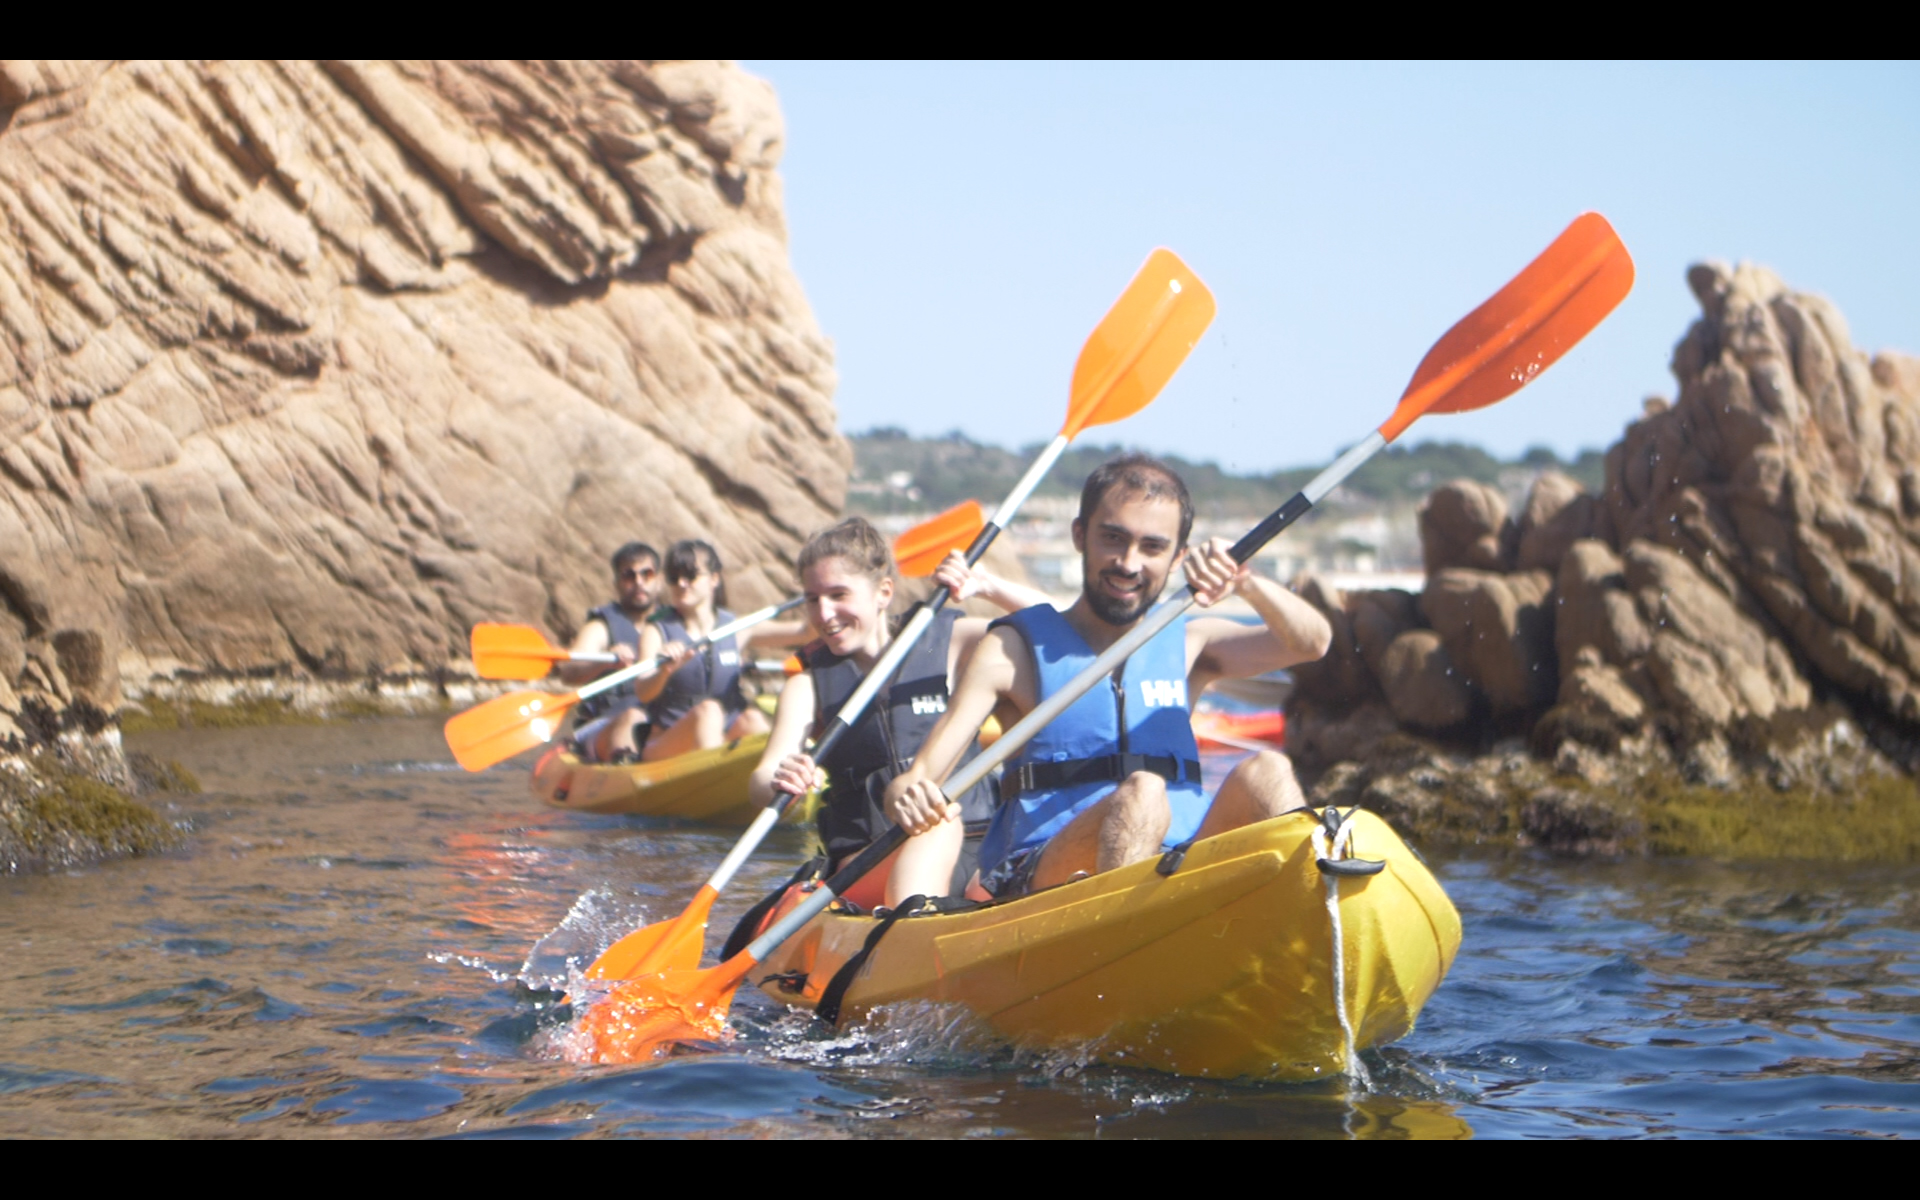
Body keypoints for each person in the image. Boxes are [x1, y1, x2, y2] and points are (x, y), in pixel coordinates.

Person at [884, 454, 1333, 901]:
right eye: (1113, 539)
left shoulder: (1190, 646)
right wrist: (908, 798)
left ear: (1178, 557)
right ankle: (1130, 944)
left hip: (1180, 859)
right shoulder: (1012, 651)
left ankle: (1311, 915)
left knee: (1268, 770)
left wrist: (1246, 583)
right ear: (1081, 535)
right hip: (1044, 871)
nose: (1129, 563)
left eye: (1152, 547)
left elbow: (1310, 644)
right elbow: (915, 779)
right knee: (1142, 792)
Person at [750, 517, 1052, 909]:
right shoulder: (806, 685)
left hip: (978, 846)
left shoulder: (949, 643)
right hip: (871, 858)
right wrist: (780, 779)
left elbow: (1056, 627)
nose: (824, 614)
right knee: (934, 824)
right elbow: (760, 781)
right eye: (812, 599)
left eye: (839, 594)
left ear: (883, 592)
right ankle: (908, 935)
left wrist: (987, 586)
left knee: (1011, 878)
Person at [635, 539, 803, 761]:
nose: (682, 584)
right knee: (709, 711)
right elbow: (643, 691)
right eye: (674, 578)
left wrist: (819, 594)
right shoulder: (657, 631)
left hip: (722, 737)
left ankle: (788, 777)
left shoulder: (736, 627)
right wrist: (664, 671)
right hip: (667, 742)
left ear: (714, 578)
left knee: (751, 718)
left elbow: (804, 632)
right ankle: (714, 779)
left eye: (691, 576)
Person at [566, 541, 660, 763]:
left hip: (655, 723)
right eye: (629, 576)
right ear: (617, 583)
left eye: (647, 574)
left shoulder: (672, 625)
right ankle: (625, 763)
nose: (638, 583)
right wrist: (604, 661)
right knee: (634, 716)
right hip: (602, 725)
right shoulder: (601, 627)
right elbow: (569, 672)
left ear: (659, 581)